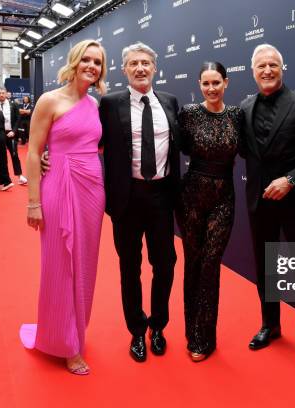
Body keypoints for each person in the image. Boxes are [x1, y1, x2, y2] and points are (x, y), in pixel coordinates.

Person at [240, 44, 295, 372]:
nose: (267, 70)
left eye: (272, 65)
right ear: (252, 71)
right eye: (261, 65)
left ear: (282, 68)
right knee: (266, 267)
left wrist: (291, 178)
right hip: (258, 201)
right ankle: (271, 325)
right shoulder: (245, 106)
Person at [20, 39, 107, 375]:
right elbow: (33, 151)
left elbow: (92, 145)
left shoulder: (94, 103)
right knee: (59, 264)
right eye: (86, 59)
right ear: (74, 61)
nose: (91, 66)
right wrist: (33, 202)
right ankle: (64, 342)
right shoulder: (49, 100)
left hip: (91, 190)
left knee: (84, 264)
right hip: (58, 186)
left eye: (97, 62)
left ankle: (76, 330)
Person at [99, 42, 180, 362]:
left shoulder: (170, 102)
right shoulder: (109, 103)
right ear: (125, 70)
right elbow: (88, 137)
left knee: (165, 264)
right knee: (129, 267)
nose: (140, 68)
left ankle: (158, 326)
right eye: (134, 63)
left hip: (162, 197)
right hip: (126, 198)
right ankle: (136, 330)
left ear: (155, 68)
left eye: (146, 62)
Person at [176, 62, 243, 362]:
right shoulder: (189, 114)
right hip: (190, 196)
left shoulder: (237, 116)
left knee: (210, 262)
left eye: (217, 82)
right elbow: (164, 144)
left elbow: (256, 148)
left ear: (226, 83)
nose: (211, 88)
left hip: (223, 197)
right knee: (193, 262)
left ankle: (205, 337)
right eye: (206, 83)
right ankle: (192, 330)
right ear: (199, 84)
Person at [0, 86, 26, 185]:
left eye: (2, 93)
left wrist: (14, 131)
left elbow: (18, 119)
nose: (1, 95)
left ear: (6, 94)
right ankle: (2, 179)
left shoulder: (13, 105)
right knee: (0, 157)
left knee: (14, 154)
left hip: (11, 133)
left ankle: (20, 176)